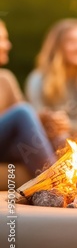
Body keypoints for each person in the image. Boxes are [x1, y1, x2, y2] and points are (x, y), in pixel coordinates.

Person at [25, 18, 77, 149]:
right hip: (52, 141)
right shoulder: (37, 79)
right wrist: (52, 121)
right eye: (72, 42)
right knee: (61, 139)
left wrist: (69, 125)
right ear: (57, 47)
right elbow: (35, 119)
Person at [0, 19, 56, 177]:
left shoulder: (5, 79)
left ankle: (54, 181)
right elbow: (20, 114)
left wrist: (44, 120)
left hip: (5, 149)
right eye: (2, 39)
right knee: (23, 111)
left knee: (56, 137)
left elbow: (23, 125)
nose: (8, 45)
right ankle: (56, 181)